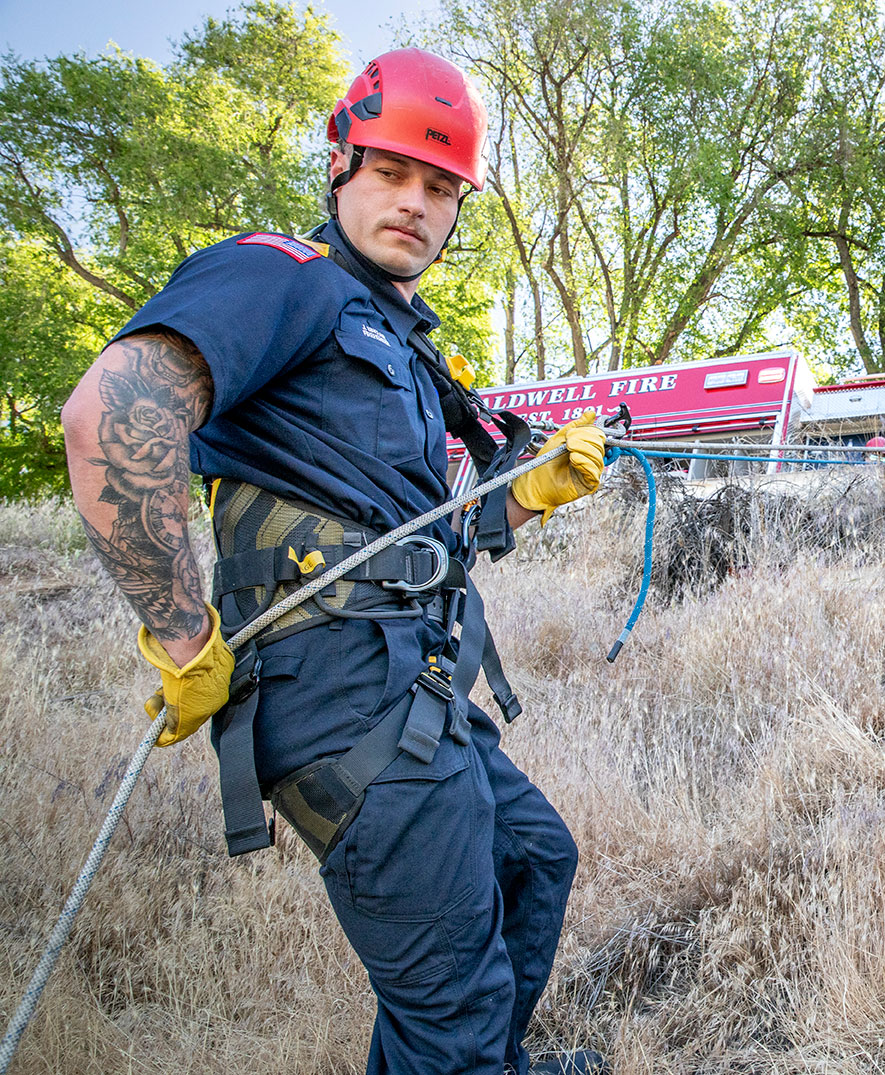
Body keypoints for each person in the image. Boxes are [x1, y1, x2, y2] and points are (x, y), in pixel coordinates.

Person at [61, 49, 607, 1075]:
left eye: (440, 186)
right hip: (341, 698)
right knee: (450, 997)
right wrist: (184, 639)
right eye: (392, 171)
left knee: (534, 860)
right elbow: (111, 415)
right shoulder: (283, 277)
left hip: (414, 673)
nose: (414, 203)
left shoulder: (401, 340)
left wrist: (523, 493)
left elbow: (407, 540)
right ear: (341, 164)